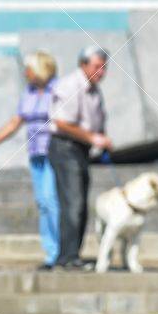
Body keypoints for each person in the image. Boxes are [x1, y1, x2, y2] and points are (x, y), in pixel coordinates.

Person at [0, 51, 61, 270]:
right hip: (36, 154)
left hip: (55, 152)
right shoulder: (30, 92)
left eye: (30, 68)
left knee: (52, 201)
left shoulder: (59, 89)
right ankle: (51, 252)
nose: (26, 73)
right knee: (43, 203)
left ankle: (62, 251)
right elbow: (16, 121)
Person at [48, 45, 111, 271]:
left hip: (81, 150)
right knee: (72, 202)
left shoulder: (95, 91)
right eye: (97, 66)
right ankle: (66, 257)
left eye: (104, 67)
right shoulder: (69, 86)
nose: (101, 71)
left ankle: (73, 255)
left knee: (81, 203)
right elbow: (62, 122)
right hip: (65, 147)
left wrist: (98, 140)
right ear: (83, 64)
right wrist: (93, 137)